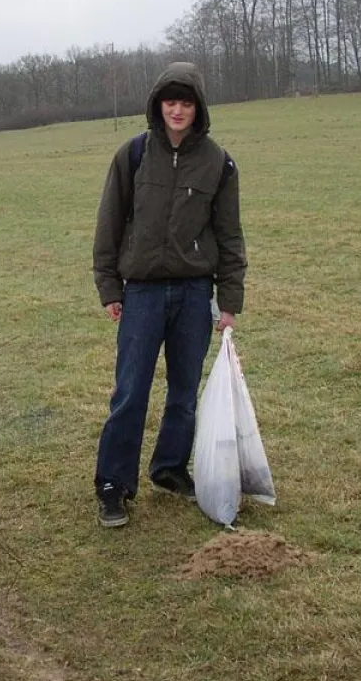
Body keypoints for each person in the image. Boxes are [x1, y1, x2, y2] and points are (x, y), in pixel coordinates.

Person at [92, 62, 247, 528]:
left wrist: (230, 300)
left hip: (194, 293)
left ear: (198, 108)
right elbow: (110, 223)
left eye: (186, 102)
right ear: (158, 105)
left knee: (183, 392)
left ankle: (170, 468)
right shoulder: (133, 155)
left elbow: (229, 235)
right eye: (170, 101)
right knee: (131, 392)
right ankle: (113, 484)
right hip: (141, 293)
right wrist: (109, 287)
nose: (177, 110)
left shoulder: (219, 163)